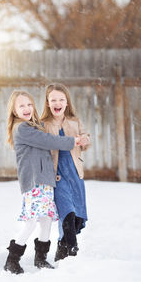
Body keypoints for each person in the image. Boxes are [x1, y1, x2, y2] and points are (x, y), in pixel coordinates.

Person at [4, 90, 81, 274]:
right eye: (21, 105)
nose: (27, 108)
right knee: (31, 222)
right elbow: (48, 140)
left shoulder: (34, 126)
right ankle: (12, 260)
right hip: (34, 182)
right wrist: (73, 141)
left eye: (29, 104)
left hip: (45, 182)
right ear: (14, 110)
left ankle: (41, 259)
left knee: (46, 220)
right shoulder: (21, 129)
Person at [41, 83, 91, 262]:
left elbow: (86, 139)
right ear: (47, 103)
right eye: (53, 99)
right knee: (67, 213)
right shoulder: (43, 124)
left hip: (75, 175)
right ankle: (72, 248)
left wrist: (85, 140)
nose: (57, 103)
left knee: (76, 218)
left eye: (61, 99)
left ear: (67, 103)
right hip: (58, 176)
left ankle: (62, 249)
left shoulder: (74, 121)